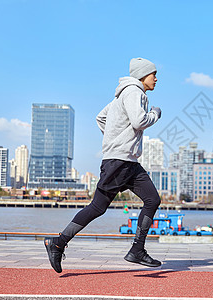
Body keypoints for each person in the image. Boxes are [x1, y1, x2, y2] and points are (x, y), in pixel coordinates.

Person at [44, 57, 162, 273]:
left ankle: (137, 250)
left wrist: (114, 138)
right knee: (98, 207)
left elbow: (101, 118)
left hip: (128, 162)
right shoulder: (134, 92)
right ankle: (58, 243)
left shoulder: (121, 96)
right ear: (142, 75)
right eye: (153, 74)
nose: (157, 78)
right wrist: (155, 114)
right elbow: (138, 121)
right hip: (119, 161)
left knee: (152, 199)